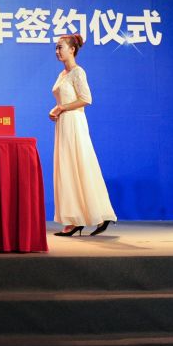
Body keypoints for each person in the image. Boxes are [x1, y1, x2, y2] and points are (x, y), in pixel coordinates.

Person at [50, 34, 116, 237]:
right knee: (67, 168)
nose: (57, 51)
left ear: (72, 50)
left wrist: (62, 108)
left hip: (74, 123)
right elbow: (65, 99)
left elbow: (86, 99)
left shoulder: (78, 72)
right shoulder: (62, 74)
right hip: (64, 124)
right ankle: (74, 219)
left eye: (60, 47)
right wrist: (56, 109)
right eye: (56, 48)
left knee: (80, 166)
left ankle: (98, 215)